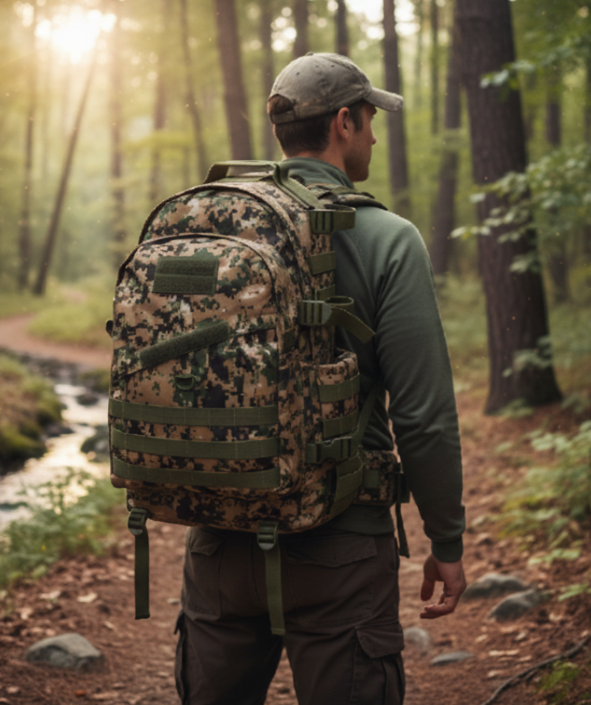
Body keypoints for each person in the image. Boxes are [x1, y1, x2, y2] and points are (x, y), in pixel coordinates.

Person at [174, 52, 467, 705]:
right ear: (343, 122)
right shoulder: (388, 238)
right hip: (340, 545)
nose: (373, 137)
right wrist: (445, 539)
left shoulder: (212, 223)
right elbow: (423, 417)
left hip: (220, 537)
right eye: (369, 120)